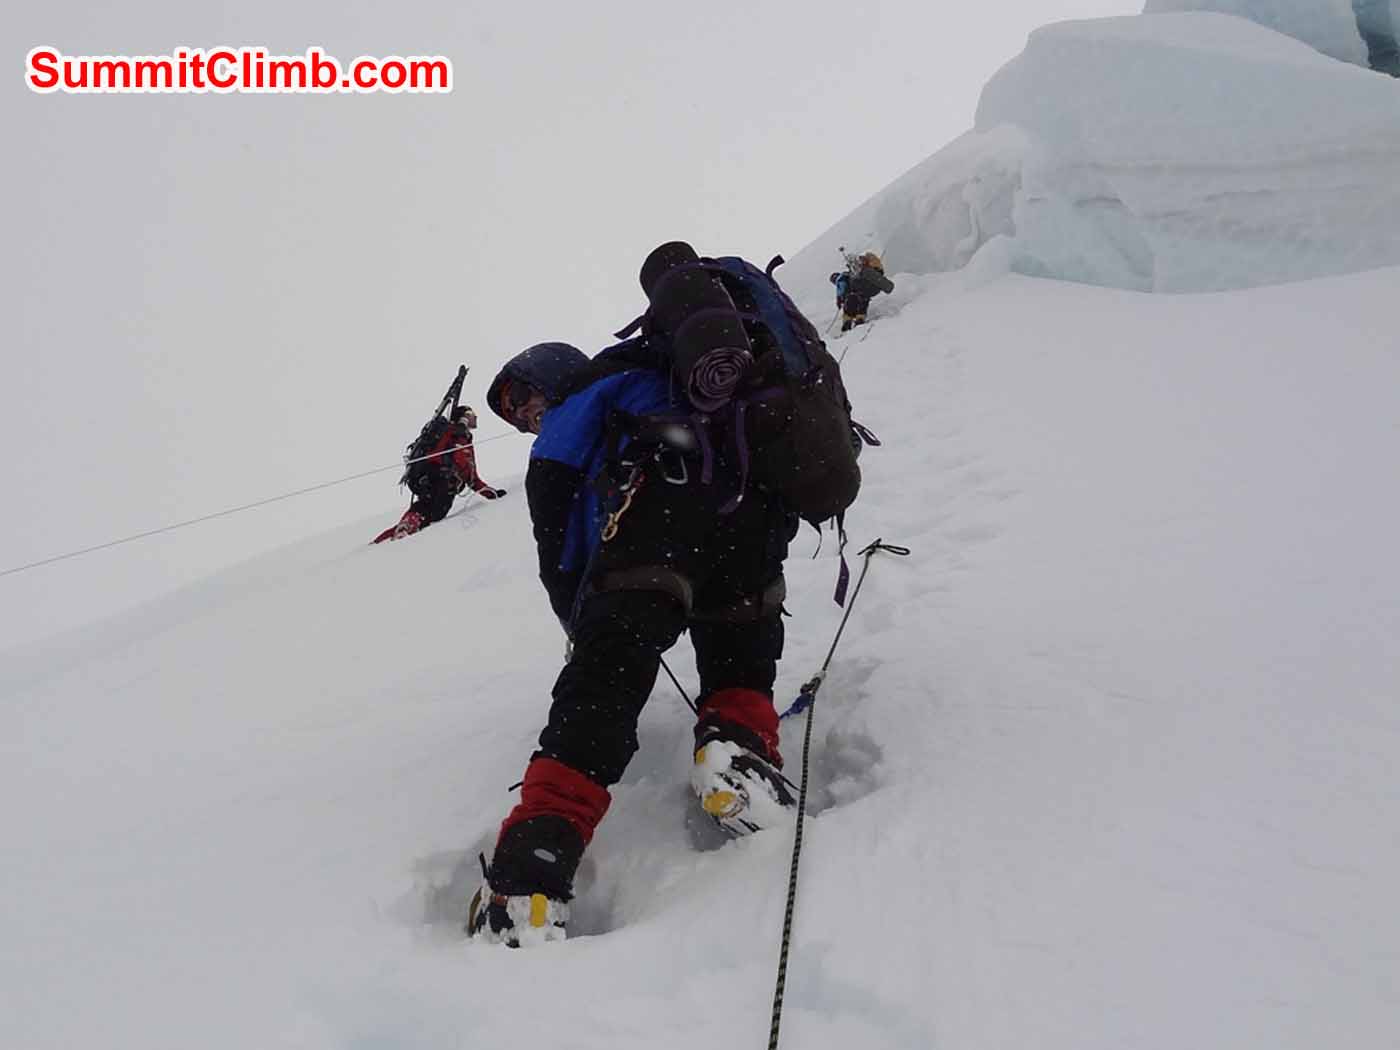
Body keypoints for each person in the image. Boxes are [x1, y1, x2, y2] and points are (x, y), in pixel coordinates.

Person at [467, 288, 801, 946]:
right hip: (746, 514)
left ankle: (533, 869)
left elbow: (559, 545)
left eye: (526, 399)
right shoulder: (674, 385)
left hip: (652, 529)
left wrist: (583, 628)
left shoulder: (579, 410)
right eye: (517, 415)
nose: (529, 418)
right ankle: (737, 753)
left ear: (556, 377)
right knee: (740, 642)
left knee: (606, 682)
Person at [372, 404, 505, 544]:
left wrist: (490, 493)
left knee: (428, 510)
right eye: (472, 414)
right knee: (432, 511)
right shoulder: (456, 435)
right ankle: (405, 529)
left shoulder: (455, 436)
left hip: (433, 480)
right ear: (464, 418)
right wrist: (491, 493)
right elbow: (465, 471)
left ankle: (380, 542)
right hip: (442, 479)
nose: (476, 418)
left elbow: (470, 476)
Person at [829, 250, 894, 331]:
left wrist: (839, 300)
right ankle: (860, 318)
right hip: (869, 289)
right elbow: (888, 286)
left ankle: (848, 322)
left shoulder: (841, 279)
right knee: (863, 300)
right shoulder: (855, 273)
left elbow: (841, 291)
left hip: (858, 290)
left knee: (851, 301)